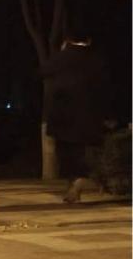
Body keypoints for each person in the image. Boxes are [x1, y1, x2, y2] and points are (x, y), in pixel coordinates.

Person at [40, 16, 107, 204]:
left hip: (62, 115)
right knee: (83, 153)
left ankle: (74, 184)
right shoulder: (95, 59)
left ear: (67, 39)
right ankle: (77, 183)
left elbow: (42, 72)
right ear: (89, 40)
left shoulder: (61, 57)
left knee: (67, 153)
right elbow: (105, 87)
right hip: (89, 116)